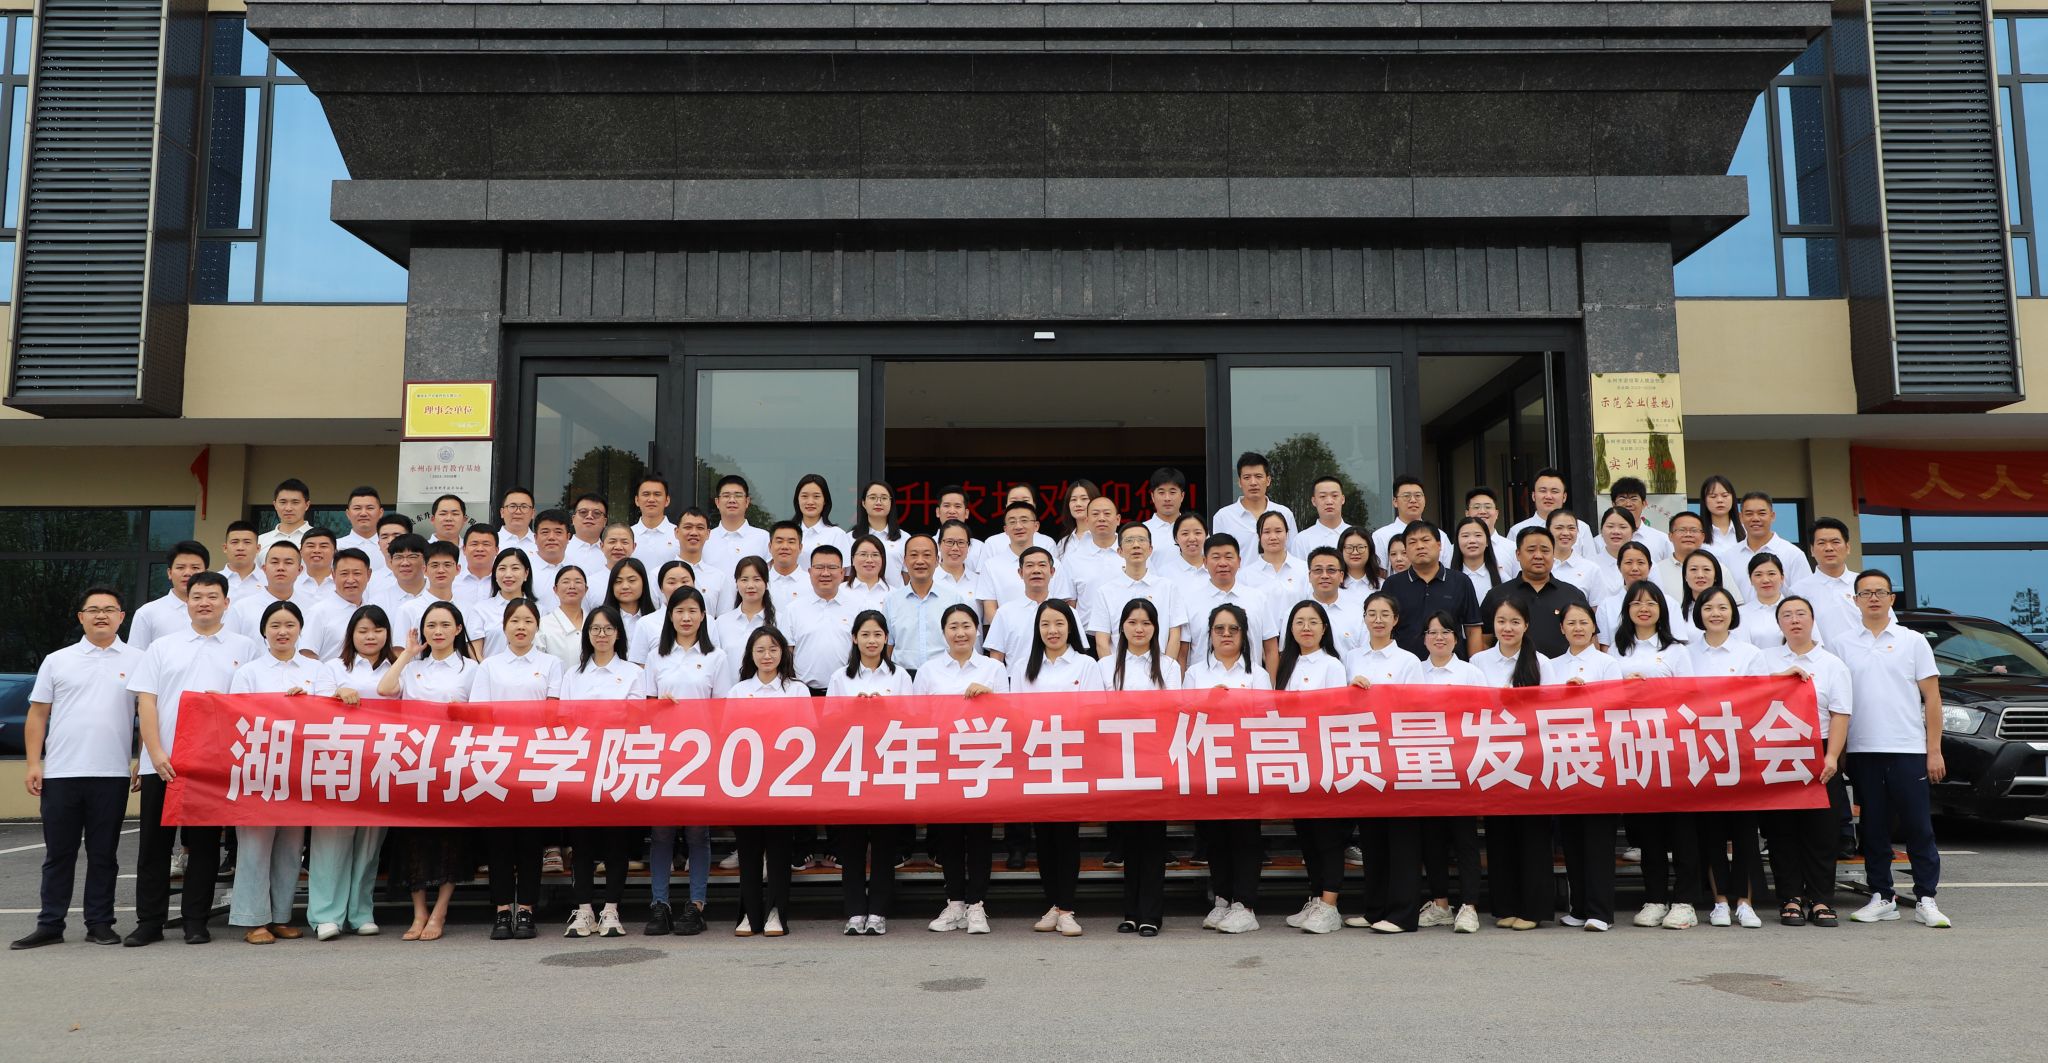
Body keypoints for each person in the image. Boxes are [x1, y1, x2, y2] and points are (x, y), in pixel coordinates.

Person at [127, 571, 257, 946]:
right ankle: (149, 922)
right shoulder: (162, 647)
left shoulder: (246, 647)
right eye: (197, 596)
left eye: (212, 596)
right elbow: (146, 702)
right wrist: (154, 752)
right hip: (163, 761)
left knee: (204, 846)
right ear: (187, 602)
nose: (204, 603)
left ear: (226, 603)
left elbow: (254, 702)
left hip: (212, 766)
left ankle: (195, 921)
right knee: (154, 846)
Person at [11, 588, 141, 951]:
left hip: (111, 774)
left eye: (109, 609)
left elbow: (148, 715)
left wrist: (143, 761)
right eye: (93, 609)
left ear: (121, 616)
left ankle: (99, 923)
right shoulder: (58, 660)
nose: (101, 615)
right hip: (61, 773)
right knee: (59, 854)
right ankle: (50, 924)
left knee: (104, 855)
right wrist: (33, 763)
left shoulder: (139, 660)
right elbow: (38, 715)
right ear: (80, 617)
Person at [1836, 571, 1949, 928]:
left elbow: (1932, 698)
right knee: (1873, 827)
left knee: (1918, 825)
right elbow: (1836, 702)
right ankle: (1881, 896)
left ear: (1891, 598)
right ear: (1855, 600)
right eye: (1865, 593)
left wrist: (1934, 750)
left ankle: (1926, 897)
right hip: (1862, 748)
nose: (1873, 598)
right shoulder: (1840, 644)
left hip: (1908, 748)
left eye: (1880, 592)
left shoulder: (1912, 641)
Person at [226, 601, 330, 943]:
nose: (282, 632)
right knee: (255, 846)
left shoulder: (317, 670)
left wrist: (308, 701)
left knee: (290, 846)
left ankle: (280, 916)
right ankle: (253, 920)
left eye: (289, 625)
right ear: (264, 631)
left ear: (300, 630)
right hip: (259, 769)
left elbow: (330, 715)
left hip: (300, 771)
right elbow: (236, 717)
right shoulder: (249, 672)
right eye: (275, 625)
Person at [375, 601, 478, 941]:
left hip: (453, 761)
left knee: (451, 839)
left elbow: (484, 714)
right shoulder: (413, 668)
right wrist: (406, 654)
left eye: (445, 625)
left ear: (458, 629)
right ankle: (418, 911)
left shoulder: (471, 669)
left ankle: (440, 911)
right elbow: (385, 689)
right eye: (431, 625)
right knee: (413, 839)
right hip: (413, 761)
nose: (438, 631)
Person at [1607, 581, 1705, 930]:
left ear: (1662, 609)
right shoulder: (1615, 650)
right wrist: (1624, 688)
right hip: (1634, 748)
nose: (1643, 608)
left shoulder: (1676, 650)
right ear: (1626, 611)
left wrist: (1651, 690)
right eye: (1636, 603)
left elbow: (1690, 696)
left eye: (1650, 602)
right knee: (1648, 832)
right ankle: (1654, 898)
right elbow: (1604, 697)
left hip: (1673, 746)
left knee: (1682, 829)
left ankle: (1685, 901)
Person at [1009, 599, 1105, 938]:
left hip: (1072, 760)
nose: (1053, 630)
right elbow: (1016, 713)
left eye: (1059, 623)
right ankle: (1052, 903)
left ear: (1071, 627)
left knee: (1066, 835)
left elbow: (1094, 710)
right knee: (1044, 836)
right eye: (1046, 624)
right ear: (1037, 629)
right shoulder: (1023, 666)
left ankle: (1067, 908)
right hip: (1037, 761)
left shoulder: (1086, 664)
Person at [470, 598, 564, 941]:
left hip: (536, 759)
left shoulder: (551, 663)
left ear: (537, 626)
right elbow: (480, 714)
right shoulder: (489, 666)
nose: (521, 627)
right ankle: (501, 910)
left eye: (527, 621)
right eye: (514, 621)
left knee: (530, 840)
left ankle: (525, 909)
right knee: (499, 840)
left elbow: (553, 712)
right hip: (497, 759)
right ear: (504, 626)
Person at [635, 587, 723, 937]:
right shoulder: (656, 656)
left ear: (703, 616)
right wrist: (659, 708)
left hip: (702, 755)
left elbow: (724, 710)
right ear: (669, 616)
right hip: (664, 754)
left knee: (698, 832)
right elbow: (644, 707)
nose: (686, 617)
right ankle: (660, 904)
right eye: (679, 611)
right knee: (662, 832)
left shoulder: (716, 656)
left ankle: (696, 904)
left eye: (693, 611)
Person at [1761, 596, 1853, 928]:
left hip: (1821, 748)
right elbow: (1749, 696)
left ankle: (1821, 899)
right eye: (1787, 615)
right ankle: (1790, 898)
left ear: (1813, 620)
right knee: (1781, 830)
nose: (1794, 620)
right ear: (1779, 623)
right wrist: (1779, 677)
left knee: (1821, 830)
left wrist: (1832, 756)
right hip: (1778, 750)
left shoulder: (1832, 664)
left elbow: (1840, 714)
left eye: (1801, 614)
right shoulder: (1765, 659)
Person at [915, 603, 1007, 936]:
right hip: (944, 762)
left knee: (980, 836)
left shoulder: (993, 668)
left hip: (982, 760)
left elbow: (1009, 714)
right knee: (949, 836)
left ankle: (977, 905)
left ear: (977, 630)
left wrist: (989, 696)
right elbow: (918, 716)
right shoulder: (928, 670)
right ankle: (954, 902)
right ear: (944, 633)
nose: (960, 633)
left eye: (966, 626)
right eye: (953, 627)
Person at [556, 605, 644, 939]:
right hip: (581, 766)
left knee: (616, 842)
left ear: (618, 634)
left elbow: (635, 719)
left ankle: (611, 909)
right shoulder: (573, 675)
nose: (602, 635)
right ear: (587, 635)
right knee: (582, 842)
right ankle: (583, 910)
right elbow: (565, 719)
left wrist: (596, 720)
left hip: (619, 765)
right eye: (595, 629)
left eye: (608, 629)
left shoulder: (632, 673)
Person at [313, 604, 399, 940]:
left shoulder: (396, 668)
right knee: (332, 843)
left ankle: (360, 911)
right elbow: (314, 710)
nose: (370, 637)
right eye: (363, 631)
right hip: (338, 764)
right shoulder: (333, 668)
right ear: (351, 634)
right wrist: (337, 693)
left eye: (377, 630)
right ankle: (326, 915)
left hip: (380, 764)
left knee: (369, 845)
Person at [826, 611, 914, 935]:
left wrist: (884, 708)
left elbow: (912, 717)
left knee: (884, 843)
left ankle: (878, 911)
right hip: (851, 766)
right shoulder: (841, 677)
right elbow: (828, 721)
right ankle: (853, 912)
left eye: (878, 634)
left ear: (886, 638)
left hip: (887, 765)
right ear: (854, 638)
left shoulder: (900, 676)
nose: (872, 640)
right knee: (851, 844)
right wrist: (853, 708)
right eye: (865, 634)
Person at [1340, 592, 1423, 934]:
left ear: (1395, 620)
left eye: (1384, 614)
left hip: (1398, 754)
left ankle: (1402, 914)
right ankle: (1375, 909)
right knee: (1372, 837)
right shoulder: (1351, 657)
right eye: (1372, 613)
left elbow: (1415, 707)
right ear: (1364, 618)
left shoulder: (1408, 661)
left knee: (1401, 838)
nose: (1377, 620)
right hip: (1364, 754)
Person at [1687, 586, 1768, 929]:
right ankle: (1720, 900)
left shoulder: (1750, 653)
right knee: (1712, 832)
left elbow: (1761, 696)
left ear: (1733, 613)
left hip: (1741, 751)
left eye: (1722, 607)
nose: (1715, 614)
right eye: (1708, 608)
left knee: (1745, 831)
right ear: (1699, 614)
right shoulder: (1687, 654)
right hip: (1702, 751)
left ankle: (1745, 902)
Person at [1098, 599, 1181, 936]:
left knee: (1153, 840)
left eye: (1146, 623)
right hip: (1117, 761)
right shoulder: (1105, 666)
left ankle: (1151, 914)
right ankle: (1131, 912)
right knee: (1129, 841)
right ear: (1122, 626)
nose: (1139, 628)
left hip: (1154, 759)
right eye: (1132, 622)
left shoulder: (1170, 666)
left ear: (1155, 628)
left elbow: (1172, 709)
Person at [1185, 603, 1268, 934]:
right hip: (1208, 763)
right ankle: (1222, 897)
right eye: (1219, 629)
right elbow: (1185, 716)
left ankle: (1245, 904)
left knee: (1244, 834)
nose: (1226, 635)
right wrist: (1208, 701)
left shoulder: (1257, 674)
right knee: (1215, 835)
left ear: (1244, 634)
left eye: (1233, 629)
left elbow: (1266, 718)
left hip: (1246, 763)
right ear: (1210, 634)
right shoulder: (1196, 673)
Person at [1470, 597, 1551, 930]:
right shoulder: (1478, 661)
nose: (1507, 628)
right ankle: (1504, 905)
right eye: (1501, 621)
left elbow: (1552, 708)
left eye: (1515, 621)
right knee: (1499, 833)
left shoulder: (1541, 662)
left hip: (1530, 757)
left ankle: (1532, 909)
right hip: (1492, 757)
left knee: (1532, 835)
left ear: (1526, 625)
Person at [725, 626, 811, 937]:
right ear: (750, 654)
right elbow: (728, 735)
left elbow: (809, 733)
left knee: (778, 850)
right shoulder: (738, 691)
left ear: (783, 653)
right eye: (760, 650)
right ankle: (749, 914)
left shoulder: (797, 690)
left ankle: (777, 912)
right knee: (748, 850)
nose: (767, 656)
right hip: (746, 781)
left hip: (783, 781)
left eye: (773, 649)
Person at [1271, 600, 1350, 934]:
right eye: (1299, 622)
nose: (1306, 627)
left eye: (1313, 622)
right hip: (1295, 759)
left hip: (1324, 759)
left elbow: (1336, 710)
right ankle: (1316, 897)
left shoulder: (1332, 665)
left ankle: (1330, 905)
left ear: (1324, 628)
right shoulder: (1284, 665)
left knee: (1327, 834)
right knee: (1306, 833)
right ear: (1290, 628)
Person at [1548, 601, 1623, 932]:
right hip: (1563, 757)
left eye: (1584, 622)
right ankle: (1578, 907)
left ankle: (1600, 911)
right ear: (1561, 629)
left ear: (1594, 627)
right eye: (1571, 623)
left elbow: (1616, 705)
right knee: (1572, 838)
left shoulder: (1608, 664)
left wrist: (1586, 696)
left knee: (1598, 838)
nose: (1578, 628)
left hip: (1598, 757)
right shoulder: (1551, 665)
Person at [1413, 610, 1485, 934]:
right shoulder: (1414, 672)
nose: (1439, 637)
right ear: (1424, 638)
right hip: (1425, 765)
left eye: (1446, 632)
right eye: (1432, 632)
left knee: (1464, 838)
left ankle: (1469, 905)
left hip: (1462, 766)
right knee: (1431, 839)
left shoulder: (1471, 673)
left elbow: (1485, 716)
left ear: (1457, 638)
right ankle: (1440, 904)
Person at [1478, 527, 1588, 659]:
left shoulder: (1572, 595)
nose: (1538, 556)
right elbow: (1484, 641)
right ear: (1518, 554)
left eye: (1545, 550)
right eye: (1531, 550)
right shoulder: (1497, 595)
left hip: (1563, 670)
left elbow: (1589, 640)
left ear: (1553, 554)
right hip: (1511, 669)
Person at [1179, 533, 1280, 674]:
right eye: (1216, 557)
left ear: (1239, 561)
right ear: (1205, 562)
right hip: (1204, 683)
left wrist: (1271, 685)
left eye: (1228, 557)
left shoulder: (1257, 598)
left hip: (1250, 682)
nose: (1222, 563)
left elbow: (1271, 649)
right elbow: (1182, 654)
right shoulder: (1189, 601)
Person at [1084, 521, 1185, 661]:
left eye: (1142, 540)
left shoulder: (1168, 588)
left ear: (1150, 549)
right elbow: (1102, 641)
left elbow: (1175, 635)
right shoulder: (1105, 592)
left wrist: (1165, 668)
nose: (1136, 545)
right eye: (1129, 540)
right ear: (1119, 551)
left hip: (1159, 668)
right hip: (1119, 669)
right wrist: (1114, 671)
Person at [1383, 520, 1483, 659]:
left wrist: (1474, 666)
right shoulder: (1392, 584)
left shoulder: (1460, 581)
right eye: (1412, 542)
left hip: (1452, 666)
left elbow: (1473, 630)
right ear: (1406, 549)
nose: (1420, 546)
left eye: (1425, 540)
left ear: (1439, 545)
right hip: (1405, 666)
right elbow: (1385, 630)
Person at [976, 501, 1078, 623]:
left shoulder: (1053, 564)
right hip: (1009, 633)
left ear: (1036, 526)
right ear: (1005, 529)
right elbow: (990, 611)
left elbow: (1063, 604)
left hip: (1047, 633)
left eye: (1024, 520)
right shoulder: (991, 566)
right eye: (1012, 522)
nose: (1018, 526)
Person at [885, 534, 967, 672]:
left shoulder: (953, 599)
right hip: (903, 675)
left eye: (927, 555)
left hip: (944, 674)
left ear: (937, 560)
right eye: (914, 555)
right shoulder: (891, 600)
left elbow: (963, 644)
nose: (920, 561)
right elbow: (888, 646)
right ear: (905, 561)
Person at [1788, 517, 1870, 646]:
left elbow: (1886, 624)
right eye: (1821, 543)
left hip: (1863, 656)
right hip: (1820, 657)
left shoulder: (1866, 584)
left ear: (1847, 547)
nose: (1829, 548)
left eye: (1835, 542)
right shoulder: (1798, 591)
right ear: (1812, 550)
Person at [713, 555, 779, 694]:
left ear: (766, 583)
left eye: (757, 579)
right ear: (736, 583)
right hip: (730, 696)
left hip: (769, 696)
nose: (750, 585)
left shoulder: (780, 620)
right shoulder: (721, 623)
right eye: (744, 580)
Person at [129, 541, 212, 652]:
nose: (187, 573)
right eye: (180, 567)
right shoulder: (147, 613)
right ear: (169, 573)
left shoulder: (220, 611)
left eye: (195, 567)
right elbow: (136, 656)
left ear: (206, 573)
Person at [1211, 451, 1297, 550]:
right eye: (1247, 477)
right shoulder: (1223, 517)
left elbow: (1293, 552)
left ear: (1268, 480)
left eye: (1258, 476)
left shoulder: (1285, 514)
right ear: (1239, 482)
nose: (1253, 483)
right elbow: (1219, 554)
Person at [225, 540, 308, 640]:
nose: (281, 568)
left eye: (288, 563)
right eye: (275, 562)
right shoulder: (241, 608)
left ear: (300, 570)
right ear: (264, 569)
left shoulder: (311, 607)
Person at [1728, 491, 1813, 586]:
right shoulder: (1729, 556)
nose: (1755, 518)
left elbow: (1805, 592)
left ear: (1772, 516)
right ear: (1741, 517)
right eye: (1749, 514)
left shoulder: (1793, 554)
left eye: (1762, 513)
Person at [1371, 475, 1449, 563]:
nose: (1413, 500)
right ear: (1395, 502)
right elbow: (1379, 570)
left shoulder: (1441, 535)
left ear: (1425, 500)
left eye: (1418, 495)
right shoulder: (1381, 536)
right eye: (1406, 496)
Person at [1594, 542, 1658, 648]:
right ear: (1619, 567)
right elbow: (1604, 646)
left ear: (1650, 567)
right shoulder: (1606, 606)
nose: (1635, 568)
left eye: (1640, 562)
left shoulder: (1668, 603)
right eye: (1628, 562)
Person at [1303, 546, 1364, 654]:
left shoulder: (1358, 614)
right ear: (1309, 576)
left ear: (1341, 576)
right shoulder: (1295, 614)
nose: (1324, 576)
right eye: (1318, 570)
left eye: (1331, 570)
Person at [1547, 508, 1613, 602]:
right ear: (1547, 530)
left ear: (1578, 531)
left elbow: (1597, 607)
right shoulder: (1539, 566)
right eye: (1559, 528)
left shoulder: (1591, 569)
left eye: (1571, 528)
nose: (1565, 533)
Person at [1244, 510, 1309, 601]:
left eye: (1278, 531)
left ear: (1287, 534)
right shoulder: (1246, 575)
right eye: (1267, 532)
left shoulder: (1305, 570)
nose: (1273, 537)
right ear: (1259, 536)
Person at [1606, 476, 1673, 563]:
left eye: (1634, 499)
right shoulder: (1600, 541)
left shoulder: (1662, 540)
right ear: (1613, 504)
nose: (1628, 504)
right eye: (1622, 499)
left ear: (1644, 504)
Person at [792, 473, 853, 567]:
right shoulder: (788, 533)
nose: (810, 502)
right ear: (797, 500)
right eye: (804, 496)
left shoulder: (837, 535)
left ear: (825, 500)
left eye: (816, 496)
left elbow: (845, 572)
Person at [852, 480, 908, 578]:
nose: (878, 502)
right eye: (872, 498)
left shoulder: (904, 538)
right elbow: (847, 575)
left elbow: (907, 574)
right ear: (864, 503)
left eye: (884, 498)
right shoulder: (850, 538)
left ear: (891, 503)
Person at [1462, 486, 1521, 577]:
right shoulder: (1455, 549)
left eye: (1488, 507)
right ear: (1467, 514)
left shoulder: (1512, 548)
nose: (1482, 511)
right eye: (1476, 507)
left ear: (1497, 514)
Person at [1292, 475, 1353, 560]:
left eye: (1334, 496)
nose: (1329, 502)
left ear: (1342, 499)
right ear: (1314, 501)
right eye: (1323, 496)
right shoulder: (1302, 540)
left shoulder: (1356, 535)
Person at [539, 566, 589, 663]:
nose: (572, 586)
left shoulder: (595, 622)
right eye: (566, 582)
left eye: (578, 582)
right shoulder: (543, 625)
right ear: (555, 589)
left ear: (586, 589)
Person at [1739, 553, 1791, 648]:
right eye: (1758, 575)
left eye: (1771, 574)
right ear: (1750, 580)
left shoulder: (1798, 610)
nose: (1765, 580)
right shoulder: (1741, 614)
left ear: (1782, 577)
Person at [630, 474, 680, 567]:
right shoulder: (627, 534)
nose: (651, 499)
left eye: (657, 494)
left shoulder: (679, 535)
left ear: (667, 500)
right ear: (637, 500)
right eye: (646, 494)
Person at [337, 486, 390, 574]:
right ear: (348, 514)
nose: (363, 513)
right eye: (357, 508)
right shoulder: (335, 547)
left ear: (381, 512)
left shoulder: (393, 547)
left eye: (370, 508)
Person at [1452, 515, 1506, 601]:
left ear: (1487, 541)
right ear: (1457, 541)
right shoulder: (1448, 578)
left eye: (1478, 535)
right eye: (1465, 536)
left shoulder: (1502, 577)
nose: (1472, 541)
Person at [529, 508, 572, 613]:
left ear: (568, 537)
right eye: (545, 532)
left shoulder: (578, 569)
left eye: (558, 532)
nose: (551, 537)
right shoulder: (524, 570)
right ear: (535, 537)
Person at [763, 521, 811, 610]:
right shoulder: (761, 582)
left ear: (800, 547)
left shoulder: (812, 583)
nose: (785, 546)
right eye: (779, 541)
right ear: (770, 547)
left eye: (791, 542)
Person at [256, 478, 314, 550]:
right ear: (275, 505)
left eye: (295, 502)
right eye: (283, 502)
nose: (288, 508)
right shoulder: (260, 541)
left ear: (307, 505)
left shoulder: (320, 540)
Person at [841, 535, 894, 613]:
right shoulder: (839, 591)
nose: (869, 560)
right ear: (853, 560)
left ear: (883, 560)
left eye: (875, 555)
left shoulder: (894, 594)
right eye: (863, 554)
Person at [1156, 512, 1210, 587]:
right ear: (1176, 539)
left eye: (1197, 533)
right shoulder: (1164, 573)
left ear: (1206, 536)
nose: (1192, 539)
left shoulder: (1216, 569)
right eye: (1185, 534)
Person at [1142, 467, 1190, 548]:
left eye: (1172, 492)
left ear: (1182, 496)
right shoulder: (1141, 530)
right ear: (1152, 496)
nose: (1167, 498)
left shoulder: (1196, 530)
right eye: (1161, 492)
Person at [564, 493, 611, 577]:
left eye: (596, 513)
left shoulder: (612, 553)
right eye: (583, 512)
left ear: (605, 522)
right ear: (573, 519)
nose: (589, 516)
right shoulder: (561, 550)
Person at [934, 518, 982, 598]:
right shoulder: (928, 579)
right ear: (939, 545)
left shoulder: (979, 582)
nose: (955, 548)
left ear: (968, 547)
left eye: (961, 542)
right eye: (949, 542)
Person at [454, 525, 500, 608]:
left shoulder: (504, 582)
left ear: (497, 550)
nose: (480, 549)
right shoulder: (452, 583)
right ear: (464, 549)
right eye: (474, 544)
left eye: (486, 544)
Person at [1054, 479, 1100, 561]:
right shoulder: (1063, 543)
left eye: (1084, 499)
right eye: (1073, 499)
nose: (1078, 504)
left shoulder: (1106, 537)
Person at [1698, 474, 1742, 556]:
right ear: (1704, 500)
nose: (1719, 500)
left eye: (1725, 495)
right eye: (1713, 496)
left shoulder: (1747, 532)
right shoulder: (1697, 533)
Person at [604, 557, 653, 628]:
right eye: (618, 581)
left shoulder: (657, 620)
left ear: (644, 582)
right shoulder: (601, 619)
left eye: (632, 580)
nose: (625, 586)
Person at [218, 520, 264, 597]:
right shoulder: (213, 581)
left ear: (258, 548)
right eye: (234, 542)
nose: (240, 548)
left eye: (247, 542)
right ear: (225, 548)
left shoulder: (269, 581)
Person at [297, 527, 339, 608]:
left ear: (335, 552)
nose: (316, 550)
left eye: (323, 546)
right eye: (311, 546)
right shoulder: (291, 582)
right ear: (300, 552)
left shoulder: (345, 582)